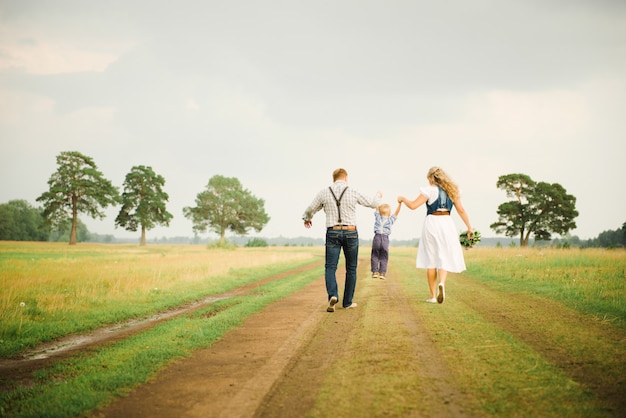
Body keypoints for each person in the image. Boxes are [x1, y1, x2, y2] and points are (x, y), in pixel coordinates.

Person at [303, 168, 382, 312]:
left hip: (332, 232)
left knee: (330, 267)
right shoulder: (352, 191)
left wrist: (308, 218)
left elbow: (310, 208)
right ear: (346, 178)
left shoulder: (324, 192)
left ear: (333, 178)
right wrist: (378, 195)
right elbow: (373, 203)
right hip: (351, 232)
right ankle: (347, 302)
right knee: (351, 268)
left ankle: (333, 295)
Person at [397, 166, 474, 304]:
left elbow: (414, 206)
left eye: (428, 179)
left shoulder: (429, 190)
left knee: (431, 260)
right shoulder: (453, 191)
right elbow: (461, 210)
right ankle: (442, 283)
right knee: (444, 256)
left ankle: (432, 296)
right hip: (447, 223)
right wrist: (469, 227)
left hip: (432, 223)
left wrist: (403, 199)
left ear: (431, 178)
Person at [371, 202, 401, 280]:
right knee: (384, 257)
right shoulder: (390, 220)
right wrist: (400, 204)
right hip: (385, 238)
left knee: (375, 255)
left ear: (380, 212)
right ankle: (382, 273)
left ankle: (375, 272)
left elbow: (377, 208)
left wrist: (378, 199)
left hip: (377, 237)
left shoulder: (378, 217)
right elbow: (396, 213)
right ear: (389, 213)